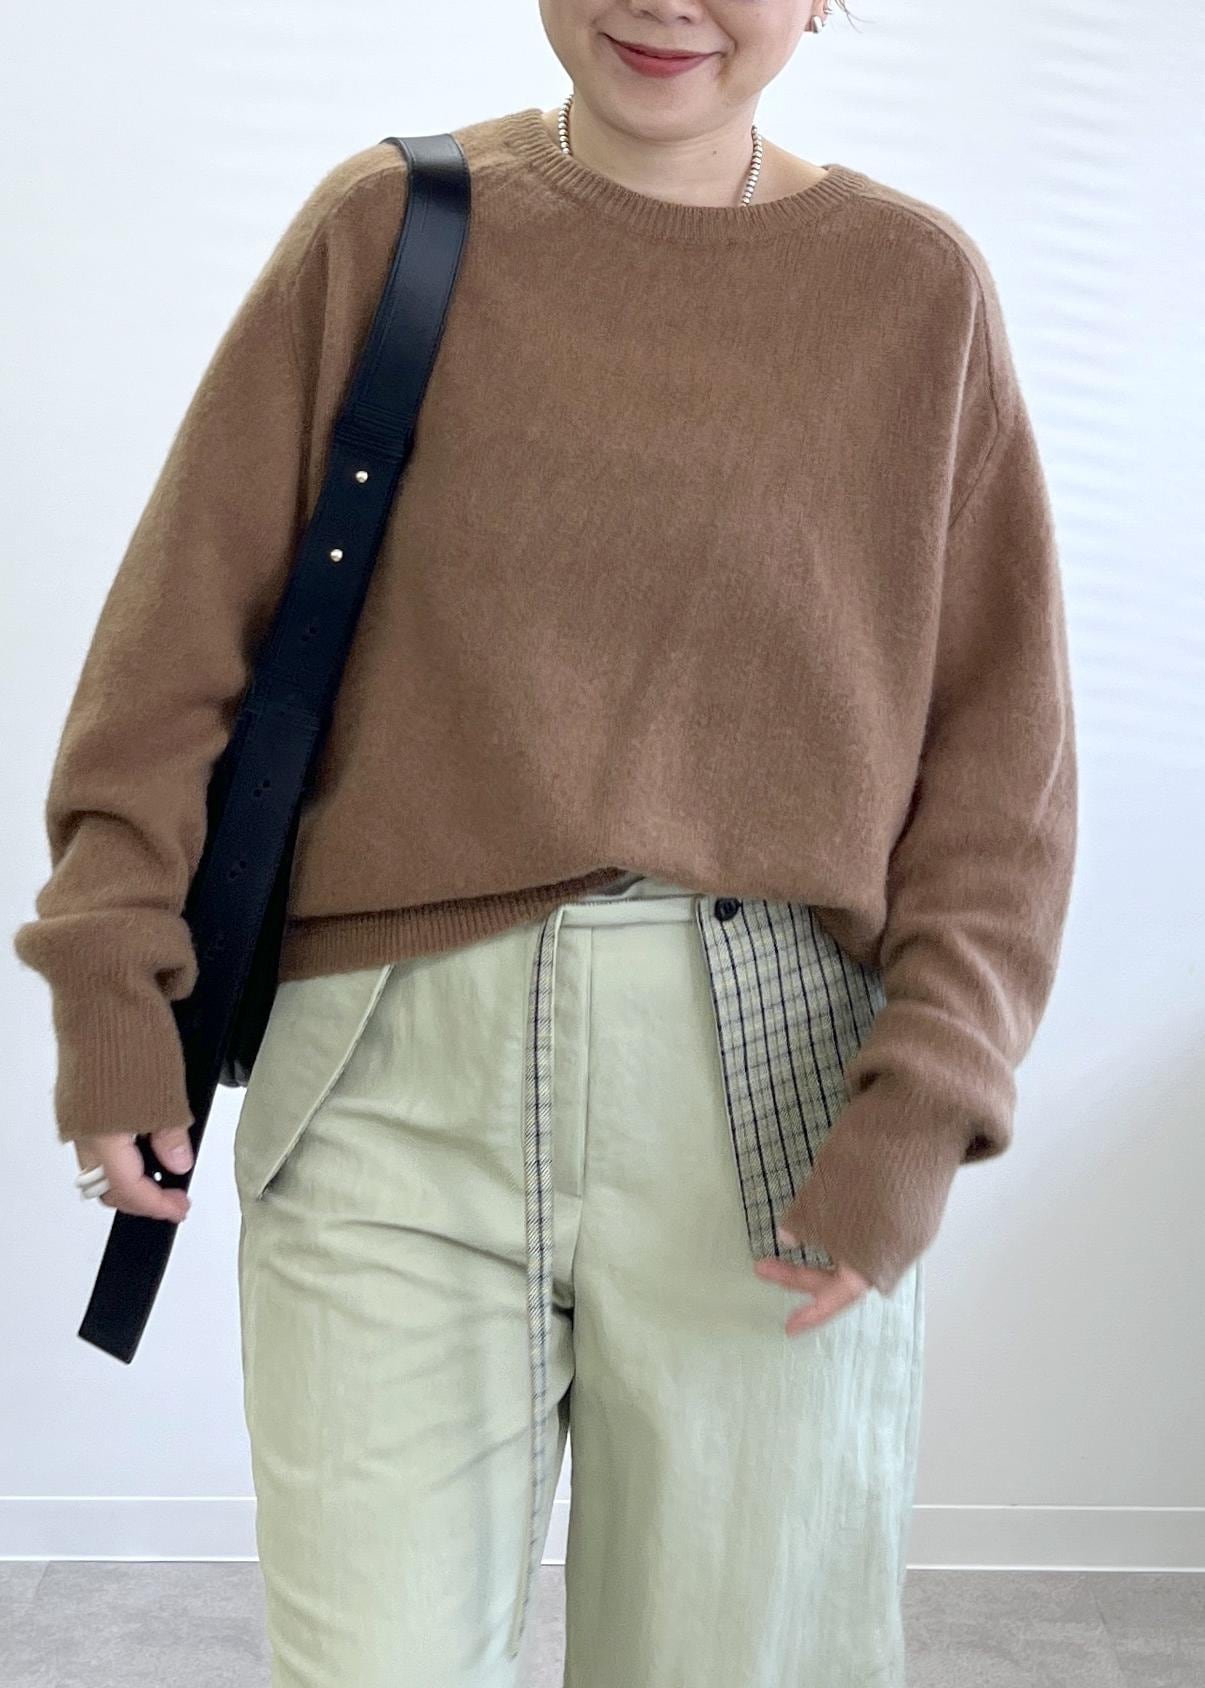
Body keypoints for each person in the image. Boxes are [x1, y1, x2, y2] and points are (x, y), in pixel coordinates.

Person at [12, 2, 1078, 1683]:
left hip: (777, 1092)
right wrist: (113, 993)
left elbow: (998, 766)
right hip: (387, 1072)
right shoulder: (390, 226)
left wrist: (928, 1102)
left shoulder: (912, 291)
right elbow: (174, 654)